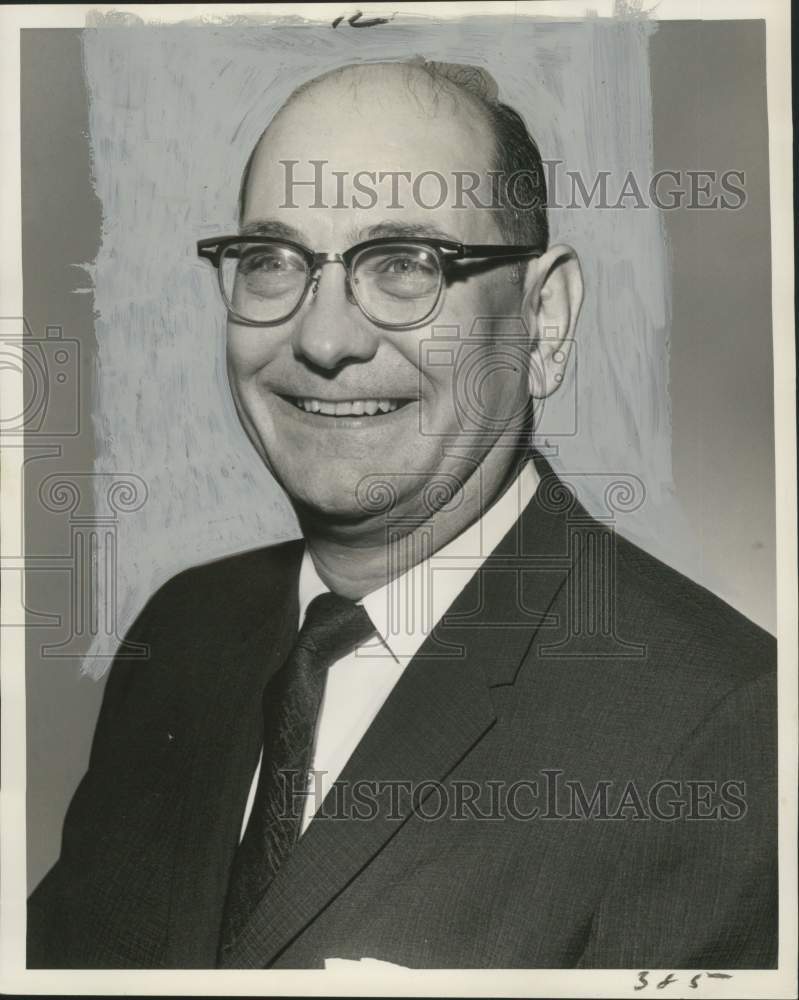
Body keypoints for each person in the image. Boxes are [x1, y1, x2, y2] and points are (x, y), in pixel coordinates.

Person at [27, 58, 776, 970]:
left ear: (543, 320)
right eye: (272, 262)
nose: (324, 339)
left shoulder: (723, 730)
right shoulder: (184, 630)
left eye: (404, 265)